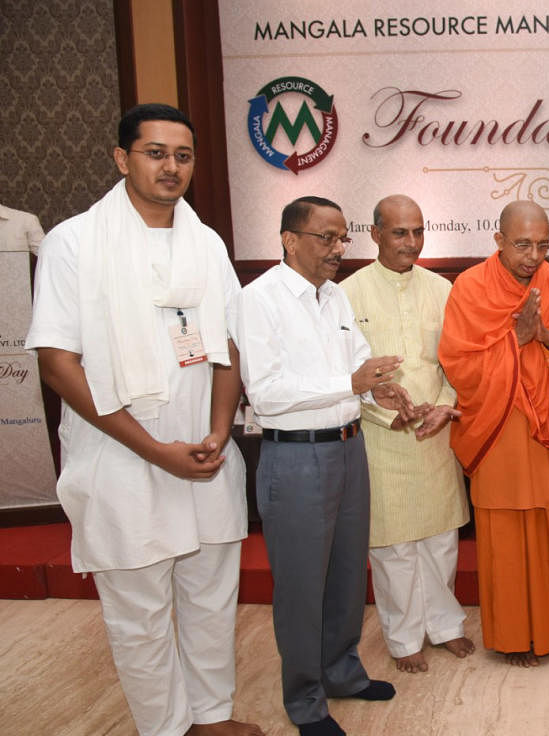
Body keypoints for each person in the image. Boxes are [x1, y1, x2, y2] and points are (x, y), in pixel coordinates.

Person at [27, 103, 262, 736]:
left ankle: (211, 717)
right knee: (140, 611)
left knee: (211, 596)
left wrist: (219, 432)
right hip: (122, 459)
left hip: (205, 453)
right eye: (155, 153)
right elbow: (57, 361)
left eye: (182, 156)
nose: (171, 167)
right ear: (122, 158)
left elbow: (228, 347)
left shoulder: (205, 241)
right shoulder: (73, 241)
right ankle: (166, 728)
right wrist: (155, 449)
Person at [237, 196, 405, 736]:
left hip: (349, 448)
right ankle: (306, 700)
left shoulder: (334, 297)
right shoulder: (257, 299)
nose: (338, 249)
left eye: (342, 239)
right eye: (326, 238)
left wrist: (383, 390)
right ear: (289, 239)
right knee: (302, 586)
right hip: (295, 456)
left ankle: (343, 673)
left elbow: (356, 362)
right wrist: (352, 384)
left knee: (346, 576)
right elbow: (265, 394)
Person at [438, 200, 549, 667]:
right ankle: (513, 638)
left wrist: (543, 335)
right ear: (499, 240)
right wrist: (514, 340)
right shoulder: (469, 287)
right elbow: (459, 362)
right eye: (522, 244)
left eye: (543, 245)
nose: (533, 255)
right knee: (506, 535)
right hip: (500, 426)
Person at [340, 194, 474, 673]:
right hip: (381, 437)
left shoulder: (443, 289)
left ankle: (446, 625)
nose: (411, 242)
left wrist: (442, 407)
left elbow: (455, 363)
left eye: (418, 231)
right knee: (394, 544)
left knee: (440, 538)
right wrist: (382, 409)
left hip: (434, 431)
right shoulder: (348, 293)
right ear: (374, 234)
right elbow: (345, 370)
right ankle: (402, 638)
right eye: (400, 232)